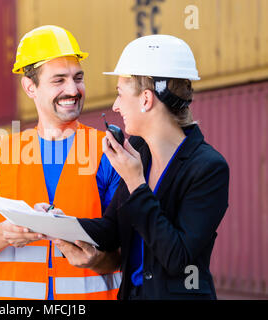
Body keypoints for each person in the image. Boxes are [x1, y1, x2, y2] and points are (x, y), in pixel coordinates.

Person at [46, 34, 230, 299]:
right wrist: (54, 222)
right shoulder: (140, 154)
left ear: (146, 99)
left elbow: (178, 259)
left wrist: (136, 182)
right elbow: (110, 232)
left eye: (120, 94)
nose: (115, 105)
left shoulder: (208, 168)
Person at [0, 25, 122, 300]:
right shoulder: (1, 155)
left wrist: (94, 259)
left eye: (78, 77)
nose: (73, 89)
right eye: (58, 80)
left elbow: (127, 253)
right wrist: (6, 233)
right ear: (30, 87)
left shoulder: (108, 152)